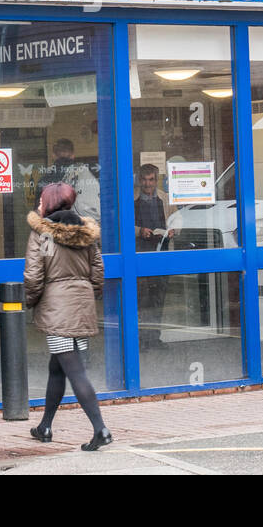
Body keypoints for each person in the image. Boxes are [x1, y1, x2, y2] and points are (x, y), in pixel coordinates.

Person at [23, 182, 113, 451]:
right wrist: (89, 295)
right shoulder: (86, 234)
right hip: (80, 307)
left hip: (57, 309)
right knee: (58, 367)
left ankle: (101, 429)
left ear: (49, 203)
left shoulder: (43, 234)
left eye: (41, 200)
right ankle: (45, 426)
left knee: (75, 371)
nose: (39, 205)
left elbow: (33, 276)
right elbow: (98, 271)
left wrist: (32, 302)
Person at [134, 164, 170, 351]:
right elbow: (122, 225)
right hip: (140, 253)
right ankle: (141, 340)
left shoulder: (165, 198)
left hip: (161, 253)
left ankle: (155, 338)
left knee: (158, 298)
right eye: (144, 180)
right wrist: (140, 231)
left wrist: (173, 231)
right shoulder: (132, 198)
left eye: (151, 180)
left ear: (156, 180)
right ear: (139, 180)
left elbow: (176, 219)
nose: (147, 184)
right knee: (142, 300)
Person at [37, 138, 101, 224]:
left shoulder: (45, 180)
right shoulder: (84, 175)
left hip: (52, 230)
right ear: (73, 155)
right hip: (78, 230)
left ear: (53, 155)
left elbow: (38, 212)